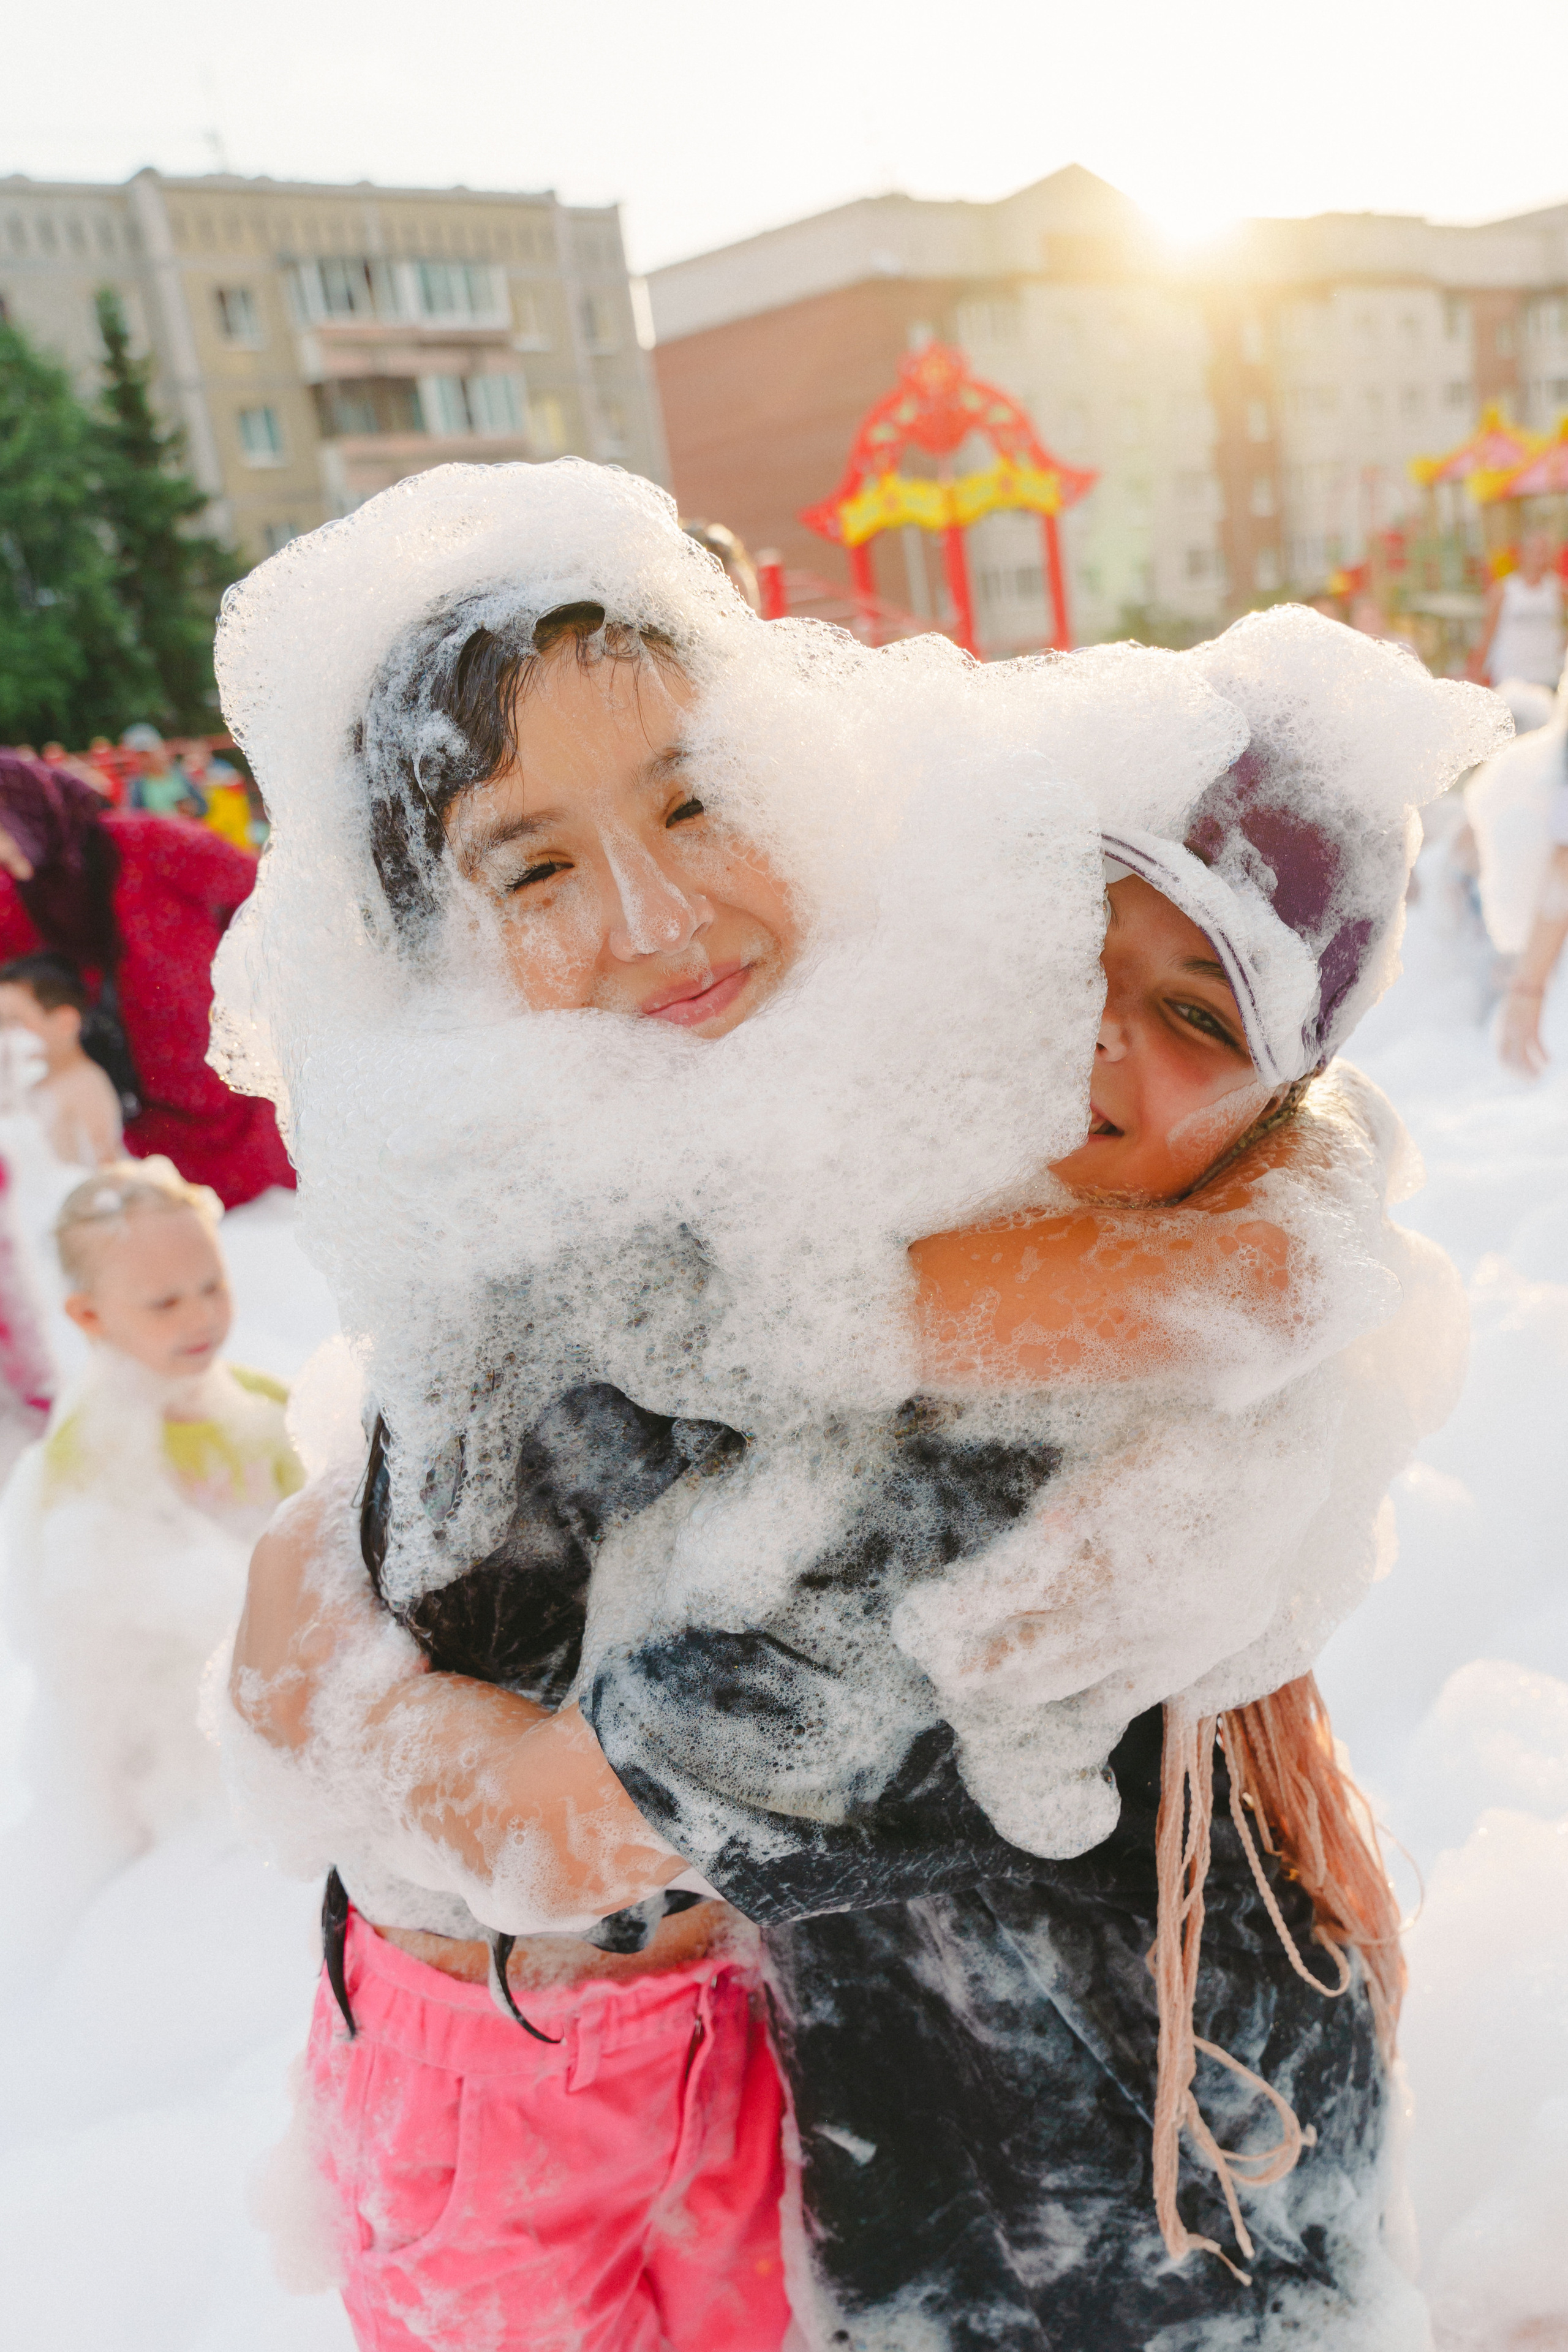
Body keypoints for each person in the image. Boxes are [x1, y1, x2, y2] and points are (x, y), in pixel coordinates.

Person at [218, 469, 1498, 2348]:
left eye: (1201, 1020)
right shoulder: (827, 1151)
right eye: (537, 859)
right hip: (846, 2110)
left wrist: (306, 1686)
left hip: (1105, 2180)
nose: (1097, 1045)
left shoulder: (1069, 1409)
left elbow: (574, 1806)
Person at [0, 1159, 303, 1964]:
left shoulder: (262, 1403)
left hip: (276, 1698)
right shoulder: (91, 1455)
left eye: (213, 1285)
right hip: (177, 1740)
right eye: (165, 1302)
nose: (200, 1315)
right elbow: (96, 1651)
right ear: (88, 1314)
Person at [0, 748, 293, 1205]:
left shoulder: (146, 842)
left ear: (29, 812)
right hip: (148, 1116)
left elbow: (264, 893)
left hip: (240, 1092)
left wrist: (252, 985)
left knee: (282, 1223)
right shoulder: (22, 890)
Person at [0, 953, 124, 1166]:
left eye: (14, 1021)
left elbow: (106, 1175)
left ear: (65, 1023)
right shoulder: (30, 1084)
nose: (5, 1035)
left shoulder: (85, 1085)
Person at [1476, 531, 1566, 692]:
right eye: (1535, 551)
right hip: (1511, 676)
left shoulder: (1557, 589)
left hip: (1549, 675)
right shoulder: (1504, 590)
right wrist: (1478, 673)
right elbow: (1487, 634)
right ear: (1523, 554)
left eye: (1544, 551)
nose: (1540, 557)